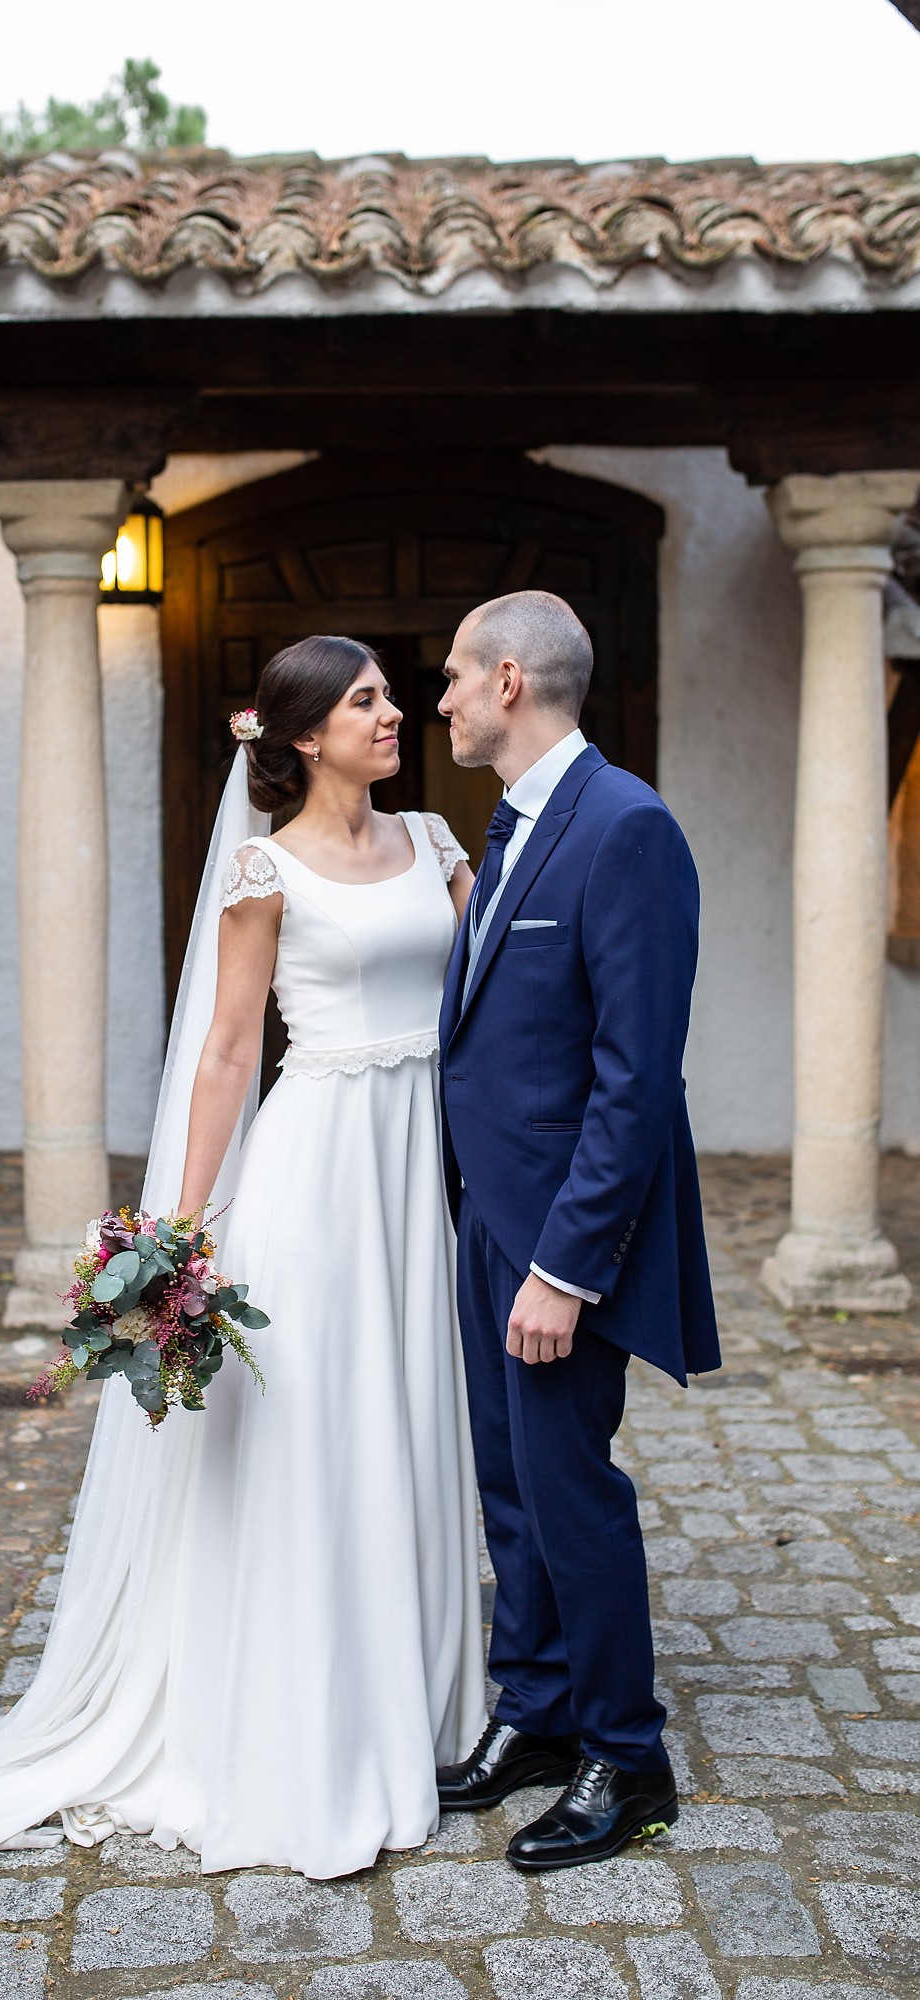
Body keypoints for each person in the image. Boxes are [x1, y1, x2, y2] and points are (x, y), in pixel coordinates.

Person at [0, 634, 488, 1881]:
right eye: (365, 702)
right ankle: (307, 1725)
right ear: (303, 737)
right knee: (324, 1432)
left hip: (420, 1172)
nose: (395, 712)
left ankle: (423, 1699)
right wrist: (179, 1235)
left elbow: (489, 1006)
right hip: (318, 1171)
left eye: (390, 695)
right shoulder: (264, 869)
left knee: (409, 1414)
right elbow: (230, 1052)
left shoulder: (439, 847)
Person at [435, 589, 720, 1872]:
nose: (434, 698)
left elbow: (634, 1075)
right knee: (509, 1486)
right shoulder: (508, 828)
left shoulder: (626, 827)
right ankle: (537, 1714)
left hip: (558, 1239)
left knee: (572, 1489)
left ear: (507, 679)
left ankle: (627, 1754)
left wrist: (564, 1265)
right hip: (485, 1215)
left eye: (447, 676)